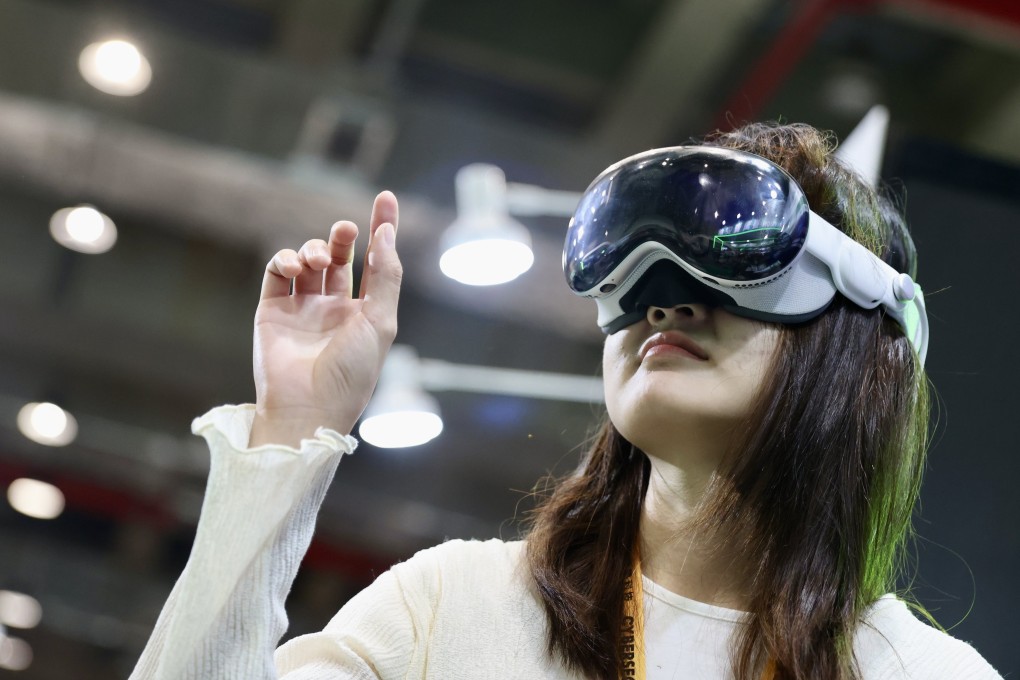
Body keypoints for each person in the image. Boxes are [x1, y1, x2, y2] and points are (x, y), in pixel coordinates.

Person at [129, 122, 1002, 680]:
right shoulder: (450, 612)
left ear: (864, 330)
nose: (661, 299)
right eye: (631, 259)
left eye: (735, 247)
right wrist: (290, 433)